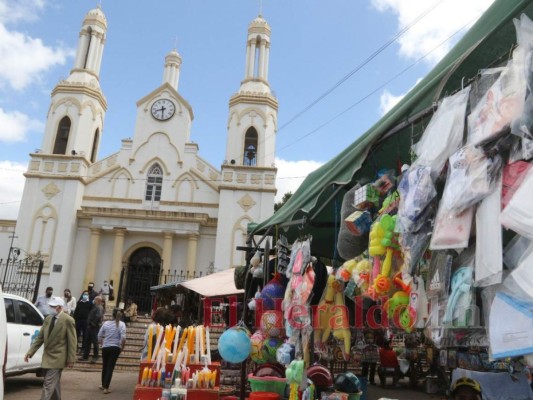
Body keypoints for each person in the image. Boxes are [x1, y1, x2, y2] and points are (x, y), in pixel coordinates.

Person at [24, 297, 77, 400]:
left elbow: (72, 341)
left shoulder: (68, 320)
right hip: (47, 356)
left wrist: (71, 359)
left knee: (48, 384)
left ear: (59, 307)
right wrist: (30, 352)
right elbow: (40, 338)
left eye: (53, 306)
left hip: (58, 357)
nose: (50, 308)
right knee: (54, 384)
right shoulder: (48, 319)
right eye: (50, 306)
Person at [98, 308, 126, 394]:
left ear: (112, 315)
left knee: (105, 366)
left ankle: (103, 385)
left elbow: (99, 335)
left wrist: (102, 344)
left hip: (105, 347)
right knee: (110, 367)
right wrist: (122, 347)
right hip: (115, 348)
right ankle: (106, 387)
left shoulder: (106, 323)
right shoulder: (122, 324)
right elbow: (123, 337)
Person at [80, 296, 104, 363]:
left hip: (94, 327)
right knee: (88, 341)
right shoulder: (95, 306)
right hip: (90, 326)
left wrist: (93, 323)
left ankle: (95, 357)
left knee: (95, 342)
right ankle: (85, 356)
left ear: (98, 301)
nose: (94, 301)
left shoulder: (99, 307)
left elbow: (98, 316)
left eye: (95, 300)